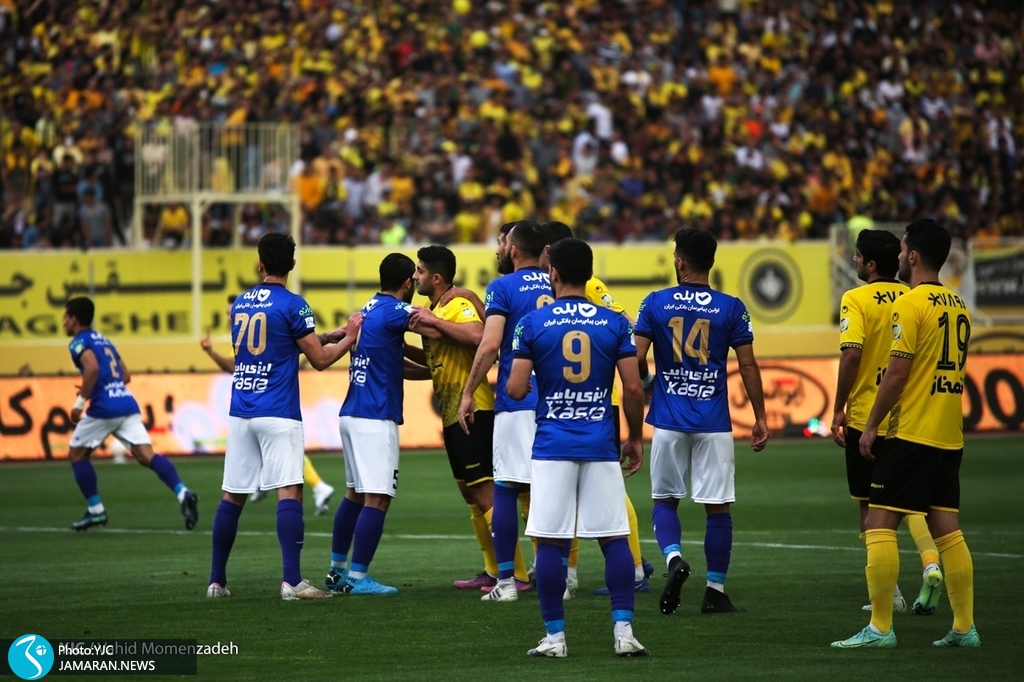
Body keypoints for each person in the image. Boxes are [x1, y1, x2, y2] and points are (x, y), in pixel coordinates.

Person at [833, 219, 980, 648]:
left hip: (911, 430)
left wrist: (871, 425)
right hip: (948, 432)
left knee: (878, 519)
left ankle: (880, 628)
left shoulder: (910, 303)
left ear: (913, 256)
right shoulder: (959, 305)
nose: (899, 256)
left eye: (902, 250)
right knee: (947, 529)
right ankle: (964, 627)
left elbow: (897, 373)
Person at [508, 237, 649, 658]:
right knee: (614, 538)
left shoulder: (532, 323)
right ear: (588, 275)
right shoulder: (615, 323)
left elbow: (515, 388)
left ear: (552, 273)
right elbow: (634, 388)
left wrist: (542, 381)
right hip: (600, 444)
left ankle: (555, 638)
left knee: (550, 543)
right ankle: (624, 632)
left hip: (553, 445)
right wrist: (635, 437)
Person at [207, 233, 362, 601]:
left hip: (241, 411)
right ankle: (292, 580)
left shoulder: (241, 303)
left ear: (260, 264)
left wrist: (328, 335)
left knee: (232, 496)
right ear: (292, 264)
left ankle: (216, 582)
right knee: (289, 490)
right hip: (278, 411)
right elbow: (319, 360)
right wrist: (349, 337)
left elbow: (277, 344)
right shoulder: (294, 304)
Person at [635, 228, 769, 616]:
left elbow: (636, 355)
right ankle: (715, 591)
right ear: (711, 262)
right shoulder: (732, 307)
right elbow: (747, 364)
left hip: (668, 418)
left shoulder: (655, 302)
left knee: (665, 500)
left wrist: (648, 383)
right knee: (718, 508)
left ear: (680, 262)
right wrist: (760, 416)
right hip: (714, 421)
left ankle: (674, 558)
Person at [539, 221, 654, 599]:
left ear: (552, 253)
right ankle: (576, 574)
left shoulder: (587, 286)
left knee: (607, 491)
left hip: (597, 399)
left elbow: (626, 323)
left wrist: (638, 372)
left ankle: (631, 567)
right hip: (572, 401)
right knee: (579, 491)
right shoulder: (548, 287)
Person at [830, 230, 943, 615]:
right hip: (908, 416)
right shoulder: (912, 296)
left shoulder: (856, 298)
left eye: (858, 257)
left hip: (867, 415)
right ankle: (930, 561)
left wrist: (839, 408)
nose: (854, 261)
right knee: (911, 502)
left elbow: (851, 355)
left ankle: (888, 593)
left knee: (870, 508)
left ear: (871, 263)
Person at [407, 245, 530, 590]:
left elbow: (479, 336)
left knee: (486, 493)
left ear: (436, 277)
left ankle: (516, 574)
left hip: (475, 409)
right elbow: (437, 362)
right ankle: (492, 570)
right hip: (452, 412)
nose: (415, 277)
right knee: (471, 495)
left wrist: (432, 321)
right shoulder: (437, 310)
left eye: (419, 270)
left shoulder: (457, 304)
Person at [325, 253, 430, 596]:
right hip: (375, 415)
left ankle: (337, 570)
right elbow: (432, 325)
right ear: (407, 283)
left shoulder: (368, 310)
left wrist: (433, 371)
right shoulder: (397, 311)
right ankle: (358, 577)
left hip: (352, 412)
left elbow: (395, 363)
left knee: (354, 494)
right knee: (378, 498)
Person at [458, 220, 551, 602]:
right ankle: (561, 578)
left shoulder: (502, 287)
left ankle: (508, 583)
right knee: (550, 489)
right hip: (554, 401)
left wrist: (468, 392)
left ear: (513, 250)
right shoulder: (557, 283)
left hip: (517, 400)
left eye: (501, 244)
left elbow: (490, 344)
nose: (498, 249)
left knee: (507, 489)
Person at [63, 297, 199, 531]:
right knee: (146, 455)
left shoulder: (78, 342)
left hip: (104, 408)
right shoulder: (104, 340)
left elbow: (92, 368)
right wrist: (97, 386)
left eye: (66, 318)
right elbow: (125, 375)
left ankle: (96, 511)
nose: (64, 322)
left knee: (76, 454)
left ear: (74, 319)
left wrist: (79, 403)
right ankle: (183, 493)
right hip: (126, 402)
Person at [201, 294, 338, 516]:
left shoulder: (249, 330)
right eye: (227, 313)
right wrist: (330, 337)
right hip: (272, 408)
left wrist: (210, 352)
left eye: (230, 312)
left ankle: (314, 486)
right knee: (288, 483)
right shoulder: (266, 321)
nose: (229, 317)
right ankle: (273, 483)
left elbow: (233, 366)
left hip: (252, 409)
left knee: (234, 494)